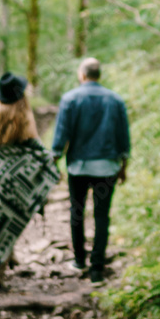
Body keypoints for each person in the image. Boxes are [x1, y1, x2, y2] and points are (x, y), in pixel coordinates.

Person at [0, 72, 59, 288]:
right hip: (13, 180)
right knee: (10, 216)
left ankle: (8, 254)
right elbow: (34, 148)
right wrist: (50, 165)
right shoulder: (22, 116)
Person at [52, 57, 130, 285]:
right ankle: (97, 269)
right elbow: (123, 135)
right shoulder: (115, 100)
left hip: (78, 167)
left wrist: (54, 158)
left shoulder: (70, 99)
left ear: (82, 75)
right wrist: (123, 166)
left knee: (76, 213)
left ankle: (79, 260)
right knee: (101, 216)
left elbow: (62, 134)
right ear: (99, 75)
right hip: (107, 167)